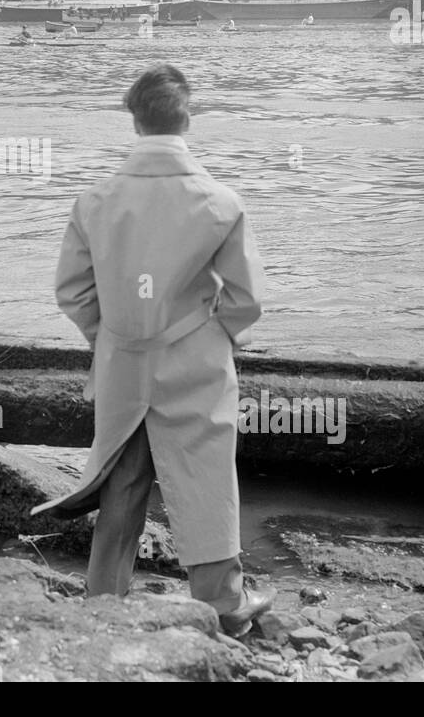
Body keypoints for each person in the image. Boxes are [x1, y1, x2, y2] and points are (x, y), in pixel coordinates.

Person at [32, 63, 271, 637]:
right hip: (193, 357)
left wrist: (109, 336)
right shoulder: (218, 201)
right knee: (205, 474)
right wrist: (214, 335)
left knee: (121, 475)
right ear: (188, 118)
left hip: (122, 359)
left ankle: (103, 598)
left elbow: (71, 290)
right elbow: (246, 300)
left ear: (134, 121)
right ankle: (222, 603)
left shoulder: (96, 199)